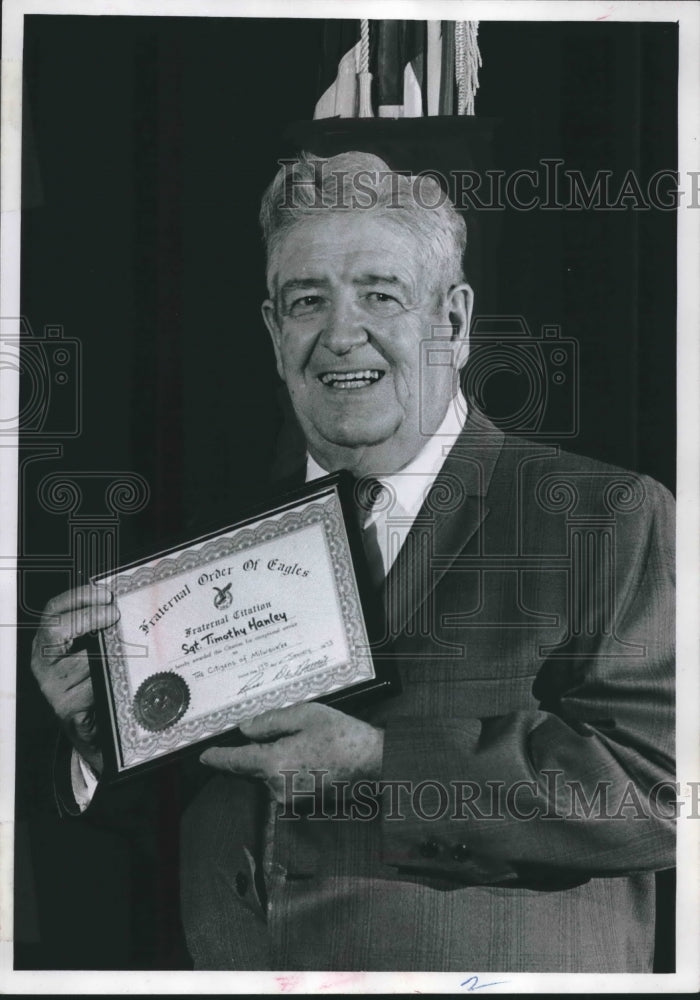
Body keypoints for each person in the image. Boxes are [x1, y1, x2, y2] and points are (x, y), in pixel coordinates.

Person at [30, 151, 675, 972]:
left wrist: (380, 766)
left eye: (380, 294)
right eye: (308, 301)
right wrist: (102, 737)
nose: (340, 334)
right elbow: (192, 821)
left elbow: (661, 794)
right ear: (273, 329)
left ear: (454, 319)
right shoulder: (209, 550)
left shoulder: (606, 516)